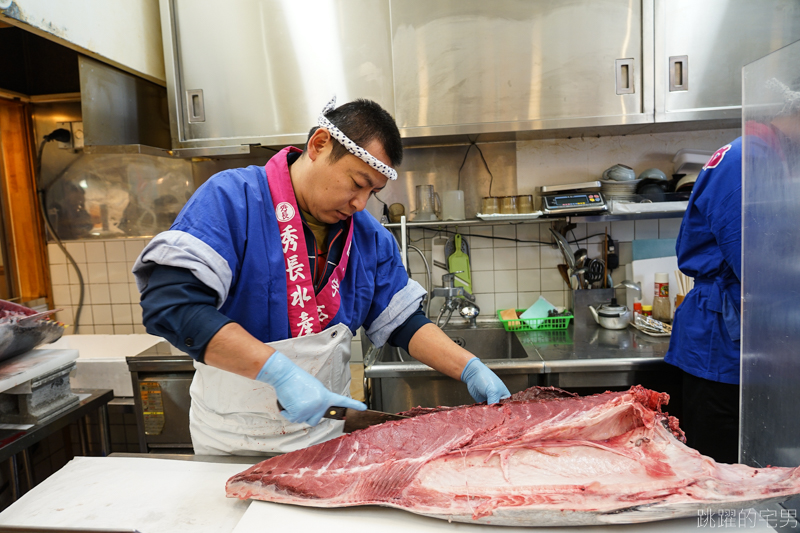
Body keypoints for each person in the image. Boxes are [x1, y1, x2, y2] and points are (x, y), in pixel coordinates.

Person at [133, 97, 510, 455]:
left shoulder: (369, 237)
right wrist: (278, 372)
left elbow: (402, 322)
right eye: (358, 183)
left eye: (373, 192)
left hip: (325, 438)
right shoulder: (232, 199)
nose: (361, 203)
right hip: (232, 442)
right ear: (319, 144)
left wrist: (470, 368)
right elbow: (171, 303)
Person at [665, 78, 800, 464]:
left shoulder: (768, 157)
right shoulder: (748, 159)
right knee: (719, 477)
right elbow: (757, 267)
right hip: (722, 347)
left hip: (748, 341)